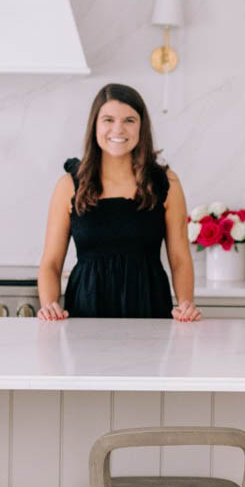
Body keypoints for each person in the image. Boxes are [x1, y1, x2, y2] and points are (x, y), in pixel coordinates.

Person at [36, 83, 201, 321]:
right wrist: (49, 305)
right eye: (108, 120)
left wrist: (186, 304)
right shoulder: (69, 185)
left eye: (129, 120)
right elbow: (51, 263)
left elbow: (180, 259)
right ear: (95, 125)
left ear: (142, 127)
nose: (118, 129)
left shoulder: (166, 183)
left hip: (149, 308)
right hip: (85, 313)